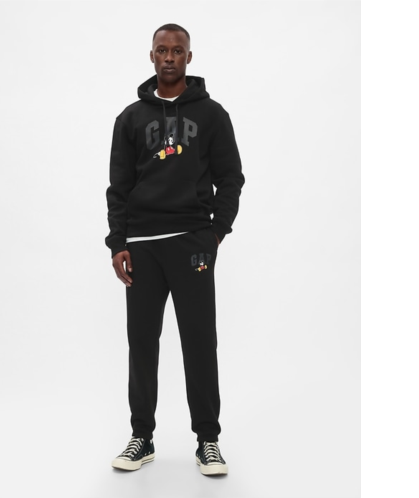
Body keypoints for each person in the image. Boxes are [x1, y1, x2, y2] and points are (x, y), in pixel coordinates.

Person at [105, 23, 244, 476]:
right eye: (162, 50)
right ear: (151, 56)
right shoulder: (130, 118)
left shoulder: (212, 115)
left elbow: (231, 177)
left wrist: (215, 232)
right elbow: (118, 187)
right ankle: (141, 437)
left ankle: (208, 440)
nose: (169, 57)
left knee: (200, 341)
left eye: (177, 50)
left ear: (189, 57)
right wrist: (118, 242)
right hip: (142, 246)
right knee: (142, 343)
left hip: (192, 244)